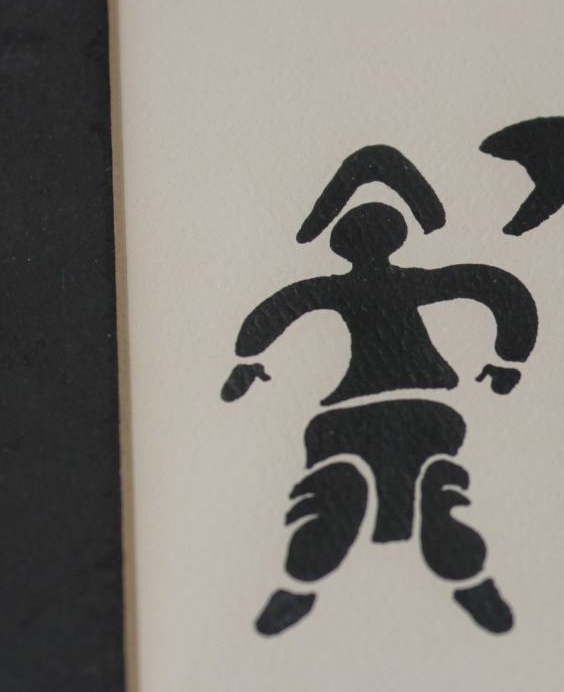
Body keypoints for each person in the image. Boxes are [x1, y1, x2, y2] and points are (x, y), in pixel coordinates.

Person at [223, 152, 537, 637]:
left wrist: (247, 361)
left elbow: (278, 310)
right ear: (397, 239)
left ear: (342, 245)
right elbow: (497, 288)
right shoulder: (416, 281)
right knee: (441, 490)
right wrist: (507, 360)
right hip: (426, 410)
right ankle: (471, 580)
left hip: (345, 416)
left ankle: (298, 586)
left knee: (330, 496)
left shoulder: (332, 287)